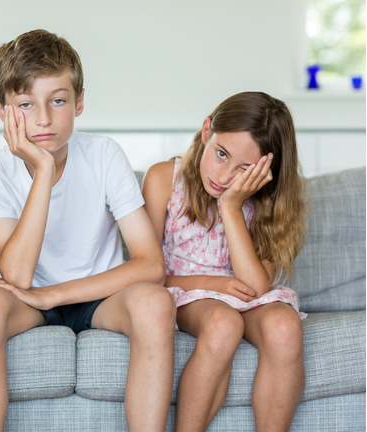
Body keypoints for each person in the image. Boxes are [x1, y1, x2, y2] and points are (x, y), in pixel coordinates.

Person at [0, 29, 176, 431]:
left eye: (57, 101)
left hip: (98, 297)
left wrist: (53, 294)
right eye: (25, 104)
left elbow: (150, 265)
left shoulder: (104, 154)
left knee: (155, 303)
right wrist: (42, 169)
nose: (43, 119)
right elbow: (17, 276)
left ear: (79, 102)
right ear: (2, 110)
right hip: (23, 297)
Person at [142, 91, 308, 432]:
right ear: (206, 132)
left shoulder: (263, 202)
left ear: (265, 172)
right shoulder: (163, 180)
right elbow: (145, 274)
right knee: (222, 324)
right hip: (188, 293)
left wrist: (231, 208)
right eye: (221, 154)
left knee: (285, 327)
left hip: (246, 295)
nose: (225, 175)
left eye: (244, 169)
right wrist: (213, 285)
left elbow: (257, 286)